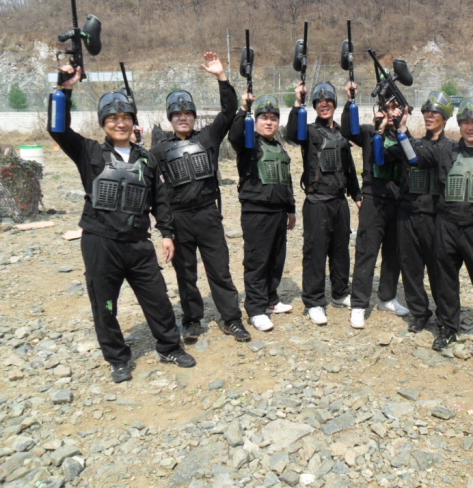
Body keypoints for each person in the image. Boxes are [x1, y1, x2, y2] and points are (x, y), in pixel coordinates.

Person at [48, 64, 196, 383]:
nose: (119, 123)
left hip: (138, 243)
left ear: (132, 121)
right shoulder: (88, 151)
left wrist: (166, 233)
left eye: (125, 117)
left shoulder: (147, 158)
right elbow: (58, 130)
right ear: (103, 123)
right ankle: (117, 358)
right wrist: (64, 90)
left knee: (158, 298)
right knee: (105, 304)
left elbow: (160, 199)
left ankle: (169, 346)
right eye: (112, 118)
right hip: (101, 242)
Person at [401, 97, 473, 353]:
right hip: (446, 226)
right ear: (459, 124)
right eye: (465, 122)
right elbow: (415, 159)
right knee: (445, 280)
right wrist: (402, 132)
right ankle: (448, 328)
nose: (470, 126)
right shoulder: (446, 150)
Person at [150, 53, 250, 343]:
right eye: (177, 114)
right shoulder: (158, 151)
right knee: (186, 274)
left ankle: (231, 319)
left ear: (194, 117)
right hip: (178, 218)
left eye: (187, 113)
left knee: (219, 270)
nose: (183, 118)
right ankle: (192, 320)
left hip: (208, 214)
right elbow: (154, 192)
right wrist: (165, 230)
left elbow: (229, 110)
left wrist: (221, 77)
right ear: (170, 119)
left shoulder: (208, 137)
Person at [285, 81, 362, 325]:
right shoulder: (308, 132)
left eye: (328, 101)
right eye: (319, 102)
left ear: (334, 104)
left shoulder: (341, 134)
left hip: (339, 201)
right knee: (315, 252)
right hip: (317, 202)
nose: (324, 105)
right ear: (315, 106)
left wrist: (357, 195)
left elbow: (349, 168)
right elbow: (290, 135)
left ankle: (340, 293)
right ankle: (314, 301)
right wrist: (298, 102)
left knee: (341, 250)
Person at [340, 81, 409, 329]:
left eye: (397, 108)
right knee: (366, 251)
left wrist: (402, 126)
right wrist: (350, 101)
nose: (392, 112)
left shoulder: (404, 137)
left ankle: (387, 298)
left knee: (393, 252)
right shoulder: (370, 133)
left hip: (398, 202)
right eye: (388, 108)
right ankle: (359, 304)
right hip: (373, 199)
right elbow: (348, 130)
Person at [228, 94, 295, 331]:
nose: (269, 122)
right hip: (256, 212)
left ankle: (270, 300)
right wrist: (242, 110)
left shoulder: (279, 147)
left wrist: (291, 209)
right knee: (257, 261)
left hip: (279, 212)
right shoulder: (249, 144)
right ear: (255, 121)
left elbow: (286, 179)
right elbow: (234, 136)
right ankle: (256, 310)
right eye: (264, 118)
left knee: (276, 260)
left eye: (273, 118)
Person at [395, 91, 454, 333]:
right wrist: (389, 128)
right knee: (410, 267)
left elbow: (420, 158)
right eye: (426, 112)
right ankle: (419, 312)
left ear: (445, 117)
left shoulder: (450, 148)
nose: (429, 116)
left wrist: (403, 133)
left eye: (435, 113)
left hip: (434, 216)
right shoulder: (416, 143)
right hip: (408, 212)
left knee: (438, 268)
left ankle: (445, 315)